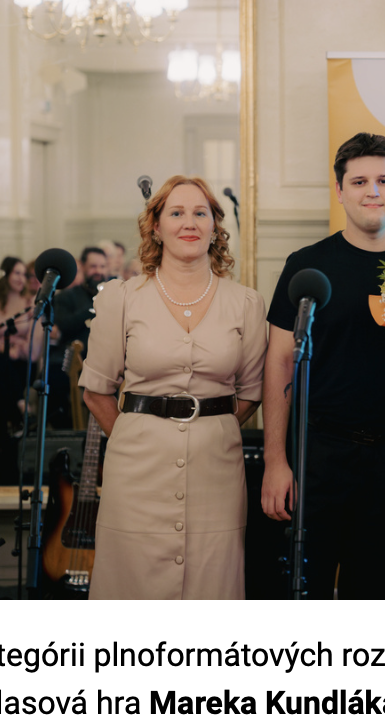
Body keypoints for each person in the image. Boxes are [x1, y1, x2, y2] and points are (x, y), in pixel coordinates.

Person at [261, 133, 385, 599]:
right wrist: (276, 461)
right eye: (359, 181)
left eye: (384, 180)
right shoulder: (307, 265)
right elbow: (279, 364)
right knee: (305, 595)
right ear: (340, 190)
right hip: (317, 457)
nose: (373, 191)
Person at [79, 177, 267, 599]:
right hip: (135, 472)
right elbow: (96, 391)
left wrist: (211, 427)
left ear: (215, 226)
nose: (189, 223)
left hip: (216, 471)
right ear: (156, 226)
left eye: (200, 213)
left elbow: (252, 392)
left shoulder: (246, 303)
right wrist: (137, 435)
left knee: (211, 585)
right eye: (176, 213)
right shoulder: (121, 298)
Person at [0, 256, 42, 474]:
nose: (21, 278)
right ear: (5, 275)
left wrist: (14, 349)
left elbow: (33, 348)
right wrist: (10, 347)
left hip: (21, 366)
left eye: (24, 274)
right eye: (17, 273)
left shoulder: (30, 305)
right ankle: (20, 406)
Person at [48, 247, 107, 426]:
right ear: (83, 267)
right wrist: (92, 308)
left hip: (108, 362)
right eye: (93, 266)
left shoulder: (115, 295)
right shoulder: (67, 296)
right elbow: (63, 324)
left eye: (102, 266)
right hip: (74, 360)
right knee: (54, 376)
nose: (98, 271)